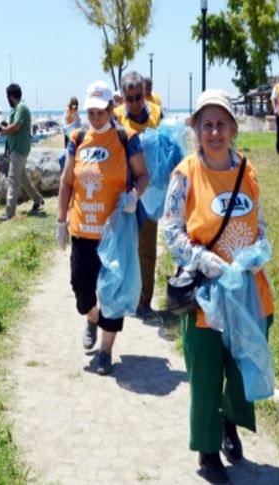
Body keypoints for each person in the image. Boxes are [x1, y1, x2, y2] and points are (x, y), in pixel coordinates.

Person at [164, 89, 274, 484]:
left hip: (248, 293)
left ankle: (228, 420)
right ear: (196, 128)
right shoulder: (184, 174)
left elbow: (259, 223)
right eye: (206, 124)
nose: (214, 132)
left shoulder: (248, 170)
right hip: (205, 298)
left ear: (233, 128)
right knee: (207, 374)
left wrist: (260, 249)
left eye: (221, 124)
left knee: (243, 369)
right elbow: (172, 230)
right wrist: (200, 259)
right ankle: (208, 451)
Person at [56, 80, 149, 376]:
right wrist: (60, 220)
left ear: (112, 108)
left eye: (100, 111)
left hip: (115, 233)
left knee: (114, 294)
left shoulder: (126, 138)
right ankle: (91, 318)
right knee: (81, 291)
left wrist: (135, 196)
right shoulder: (77, 137)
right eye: (91, 112)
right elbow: (67, 182)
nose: (96, 117)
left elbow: (143, 175)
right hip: (82, 231)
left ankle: (106, 351)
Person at [114, 71, 162, 321]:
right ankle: (122, 296)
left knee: (147, 249)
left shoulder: (155, 112)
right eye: (129, 98)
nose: (134, 103)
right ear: (123, 97)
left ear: (145, 94)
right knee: (123, 246)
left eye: (138, 97)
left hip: (150, 192)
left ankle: (144, 302)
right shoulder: (117, 117)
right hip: (125, 191)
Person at [0, 83, 44, 221]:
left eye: (7, 96)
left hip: (19, 149)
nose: (7, 99)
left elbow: (16, 126)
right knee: (22, 178)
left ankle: (9, 212)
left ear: (11, 96)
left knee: (13, 180)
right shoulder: (17, 109)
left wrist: (4, 130)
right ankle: (37, 199)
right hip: (17, 149)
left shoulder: (21, 108)